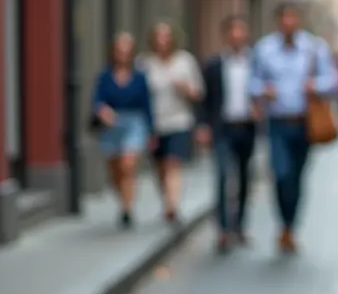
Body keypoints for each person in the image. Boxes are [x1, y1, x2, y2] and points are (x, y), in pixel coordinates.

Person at [249, 2, 338, 254]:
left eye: (292, 18)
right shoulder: (264, 49)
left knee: (297, 177)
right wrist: (262, 91)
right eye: (284, 18)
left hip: (304, 124)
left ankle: (290, 227)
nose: (288, 23)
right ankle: (283, 223)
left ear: (298, 21)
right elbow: (252, 82)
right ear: (278, 21)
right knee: (281, 174)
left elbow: (332, 79)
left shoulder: (314, 47)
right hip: (277, 123)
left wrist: (316, 86)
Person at [196, 15, 259, 253]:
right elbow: (205, 99)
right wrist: (202, 125)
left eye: (241, 32)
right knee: (223, 176)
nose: (237, 36)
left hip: (247, 127)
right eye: (232, 32)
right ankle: (223, 229)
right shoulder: (213, 65)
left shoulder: (255, 63)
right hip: (222, 128)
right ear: (226, 35)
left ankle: (239, 225)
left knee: (244, 177)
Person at [90, 32, 156, 229]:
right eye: (119, 50)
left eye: (127, 50)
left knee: (128, 165)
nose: (123, 53)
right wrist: (102, 110)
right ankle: (123, 199)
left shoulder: (139, 76)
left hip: (134, 122)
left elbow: (147, 104)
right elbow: (97, 100)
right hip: (111, 124)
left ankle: (127, 210)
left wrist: (151, 131)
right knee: (115, 171)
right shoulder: (105, 76)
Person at [141, 21, 203, 224]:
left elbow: (198, 93)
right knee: (159, 166)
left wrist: (186, 88)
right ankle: (167, 199)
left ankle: (172, 206)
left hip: (179, 121)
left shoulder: (185, 61)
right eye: (158, 37)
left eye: (166, 36)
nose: (162, 41)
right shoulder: (145, 63)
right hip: (154, 124)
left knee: (173, 163)